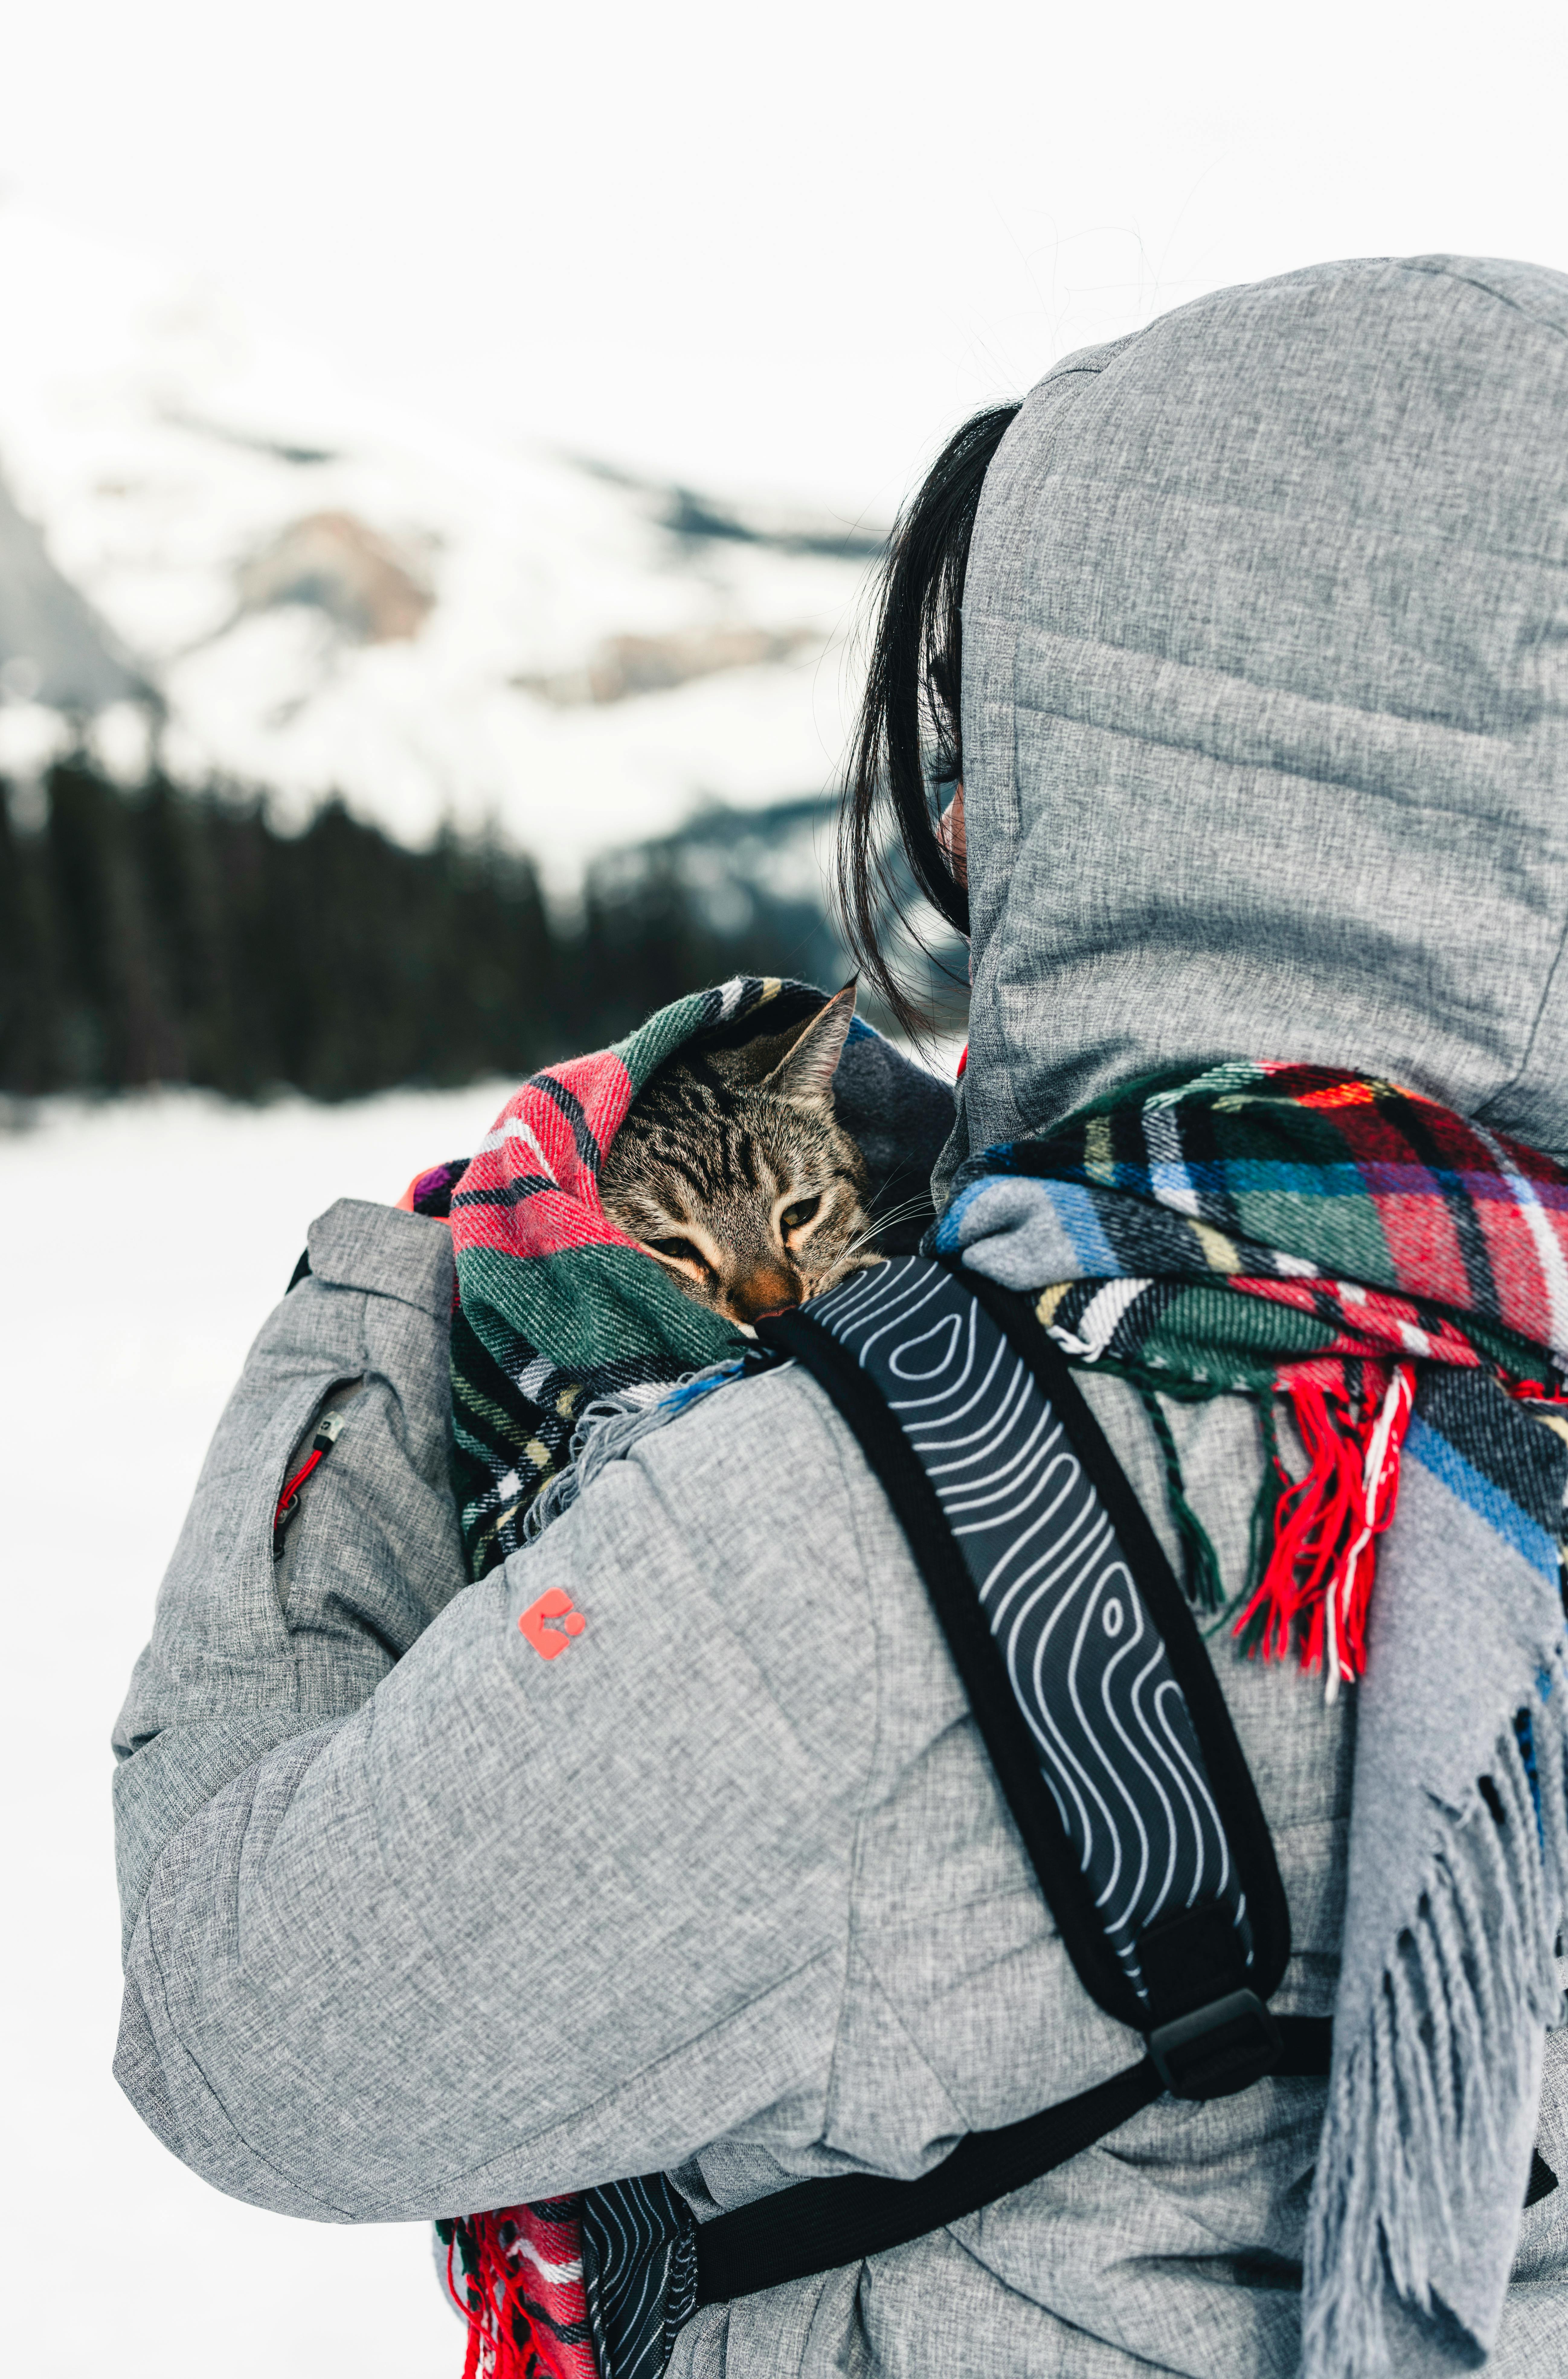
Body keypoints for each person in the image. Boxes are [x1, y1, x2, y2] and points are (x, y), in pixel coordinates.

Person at [112, 254, 1568, 2377]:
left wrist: (396, 1304)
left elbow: (257, 2033)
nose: (965, 825)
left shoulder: (910, 1522)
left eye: (1014, 740)